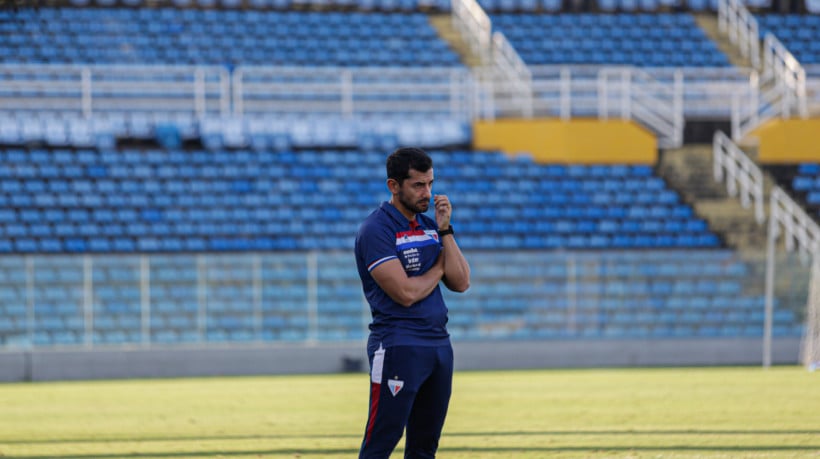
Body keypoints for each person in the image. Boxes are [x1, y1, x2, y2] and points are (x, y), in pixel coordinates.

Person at [354, 147, 471, 459]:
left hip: (438, 345)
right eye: (418, 185)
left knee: (424, 447)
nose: (427, 193)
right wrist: (437, 268)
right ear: (394, 186)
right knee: (381, 443)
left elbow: (461, 282)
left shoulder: (431, 227)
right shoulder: (376, 230)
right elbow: (405, 293)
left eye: (430, 184)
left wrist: (445, 229)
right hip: (397, 345)